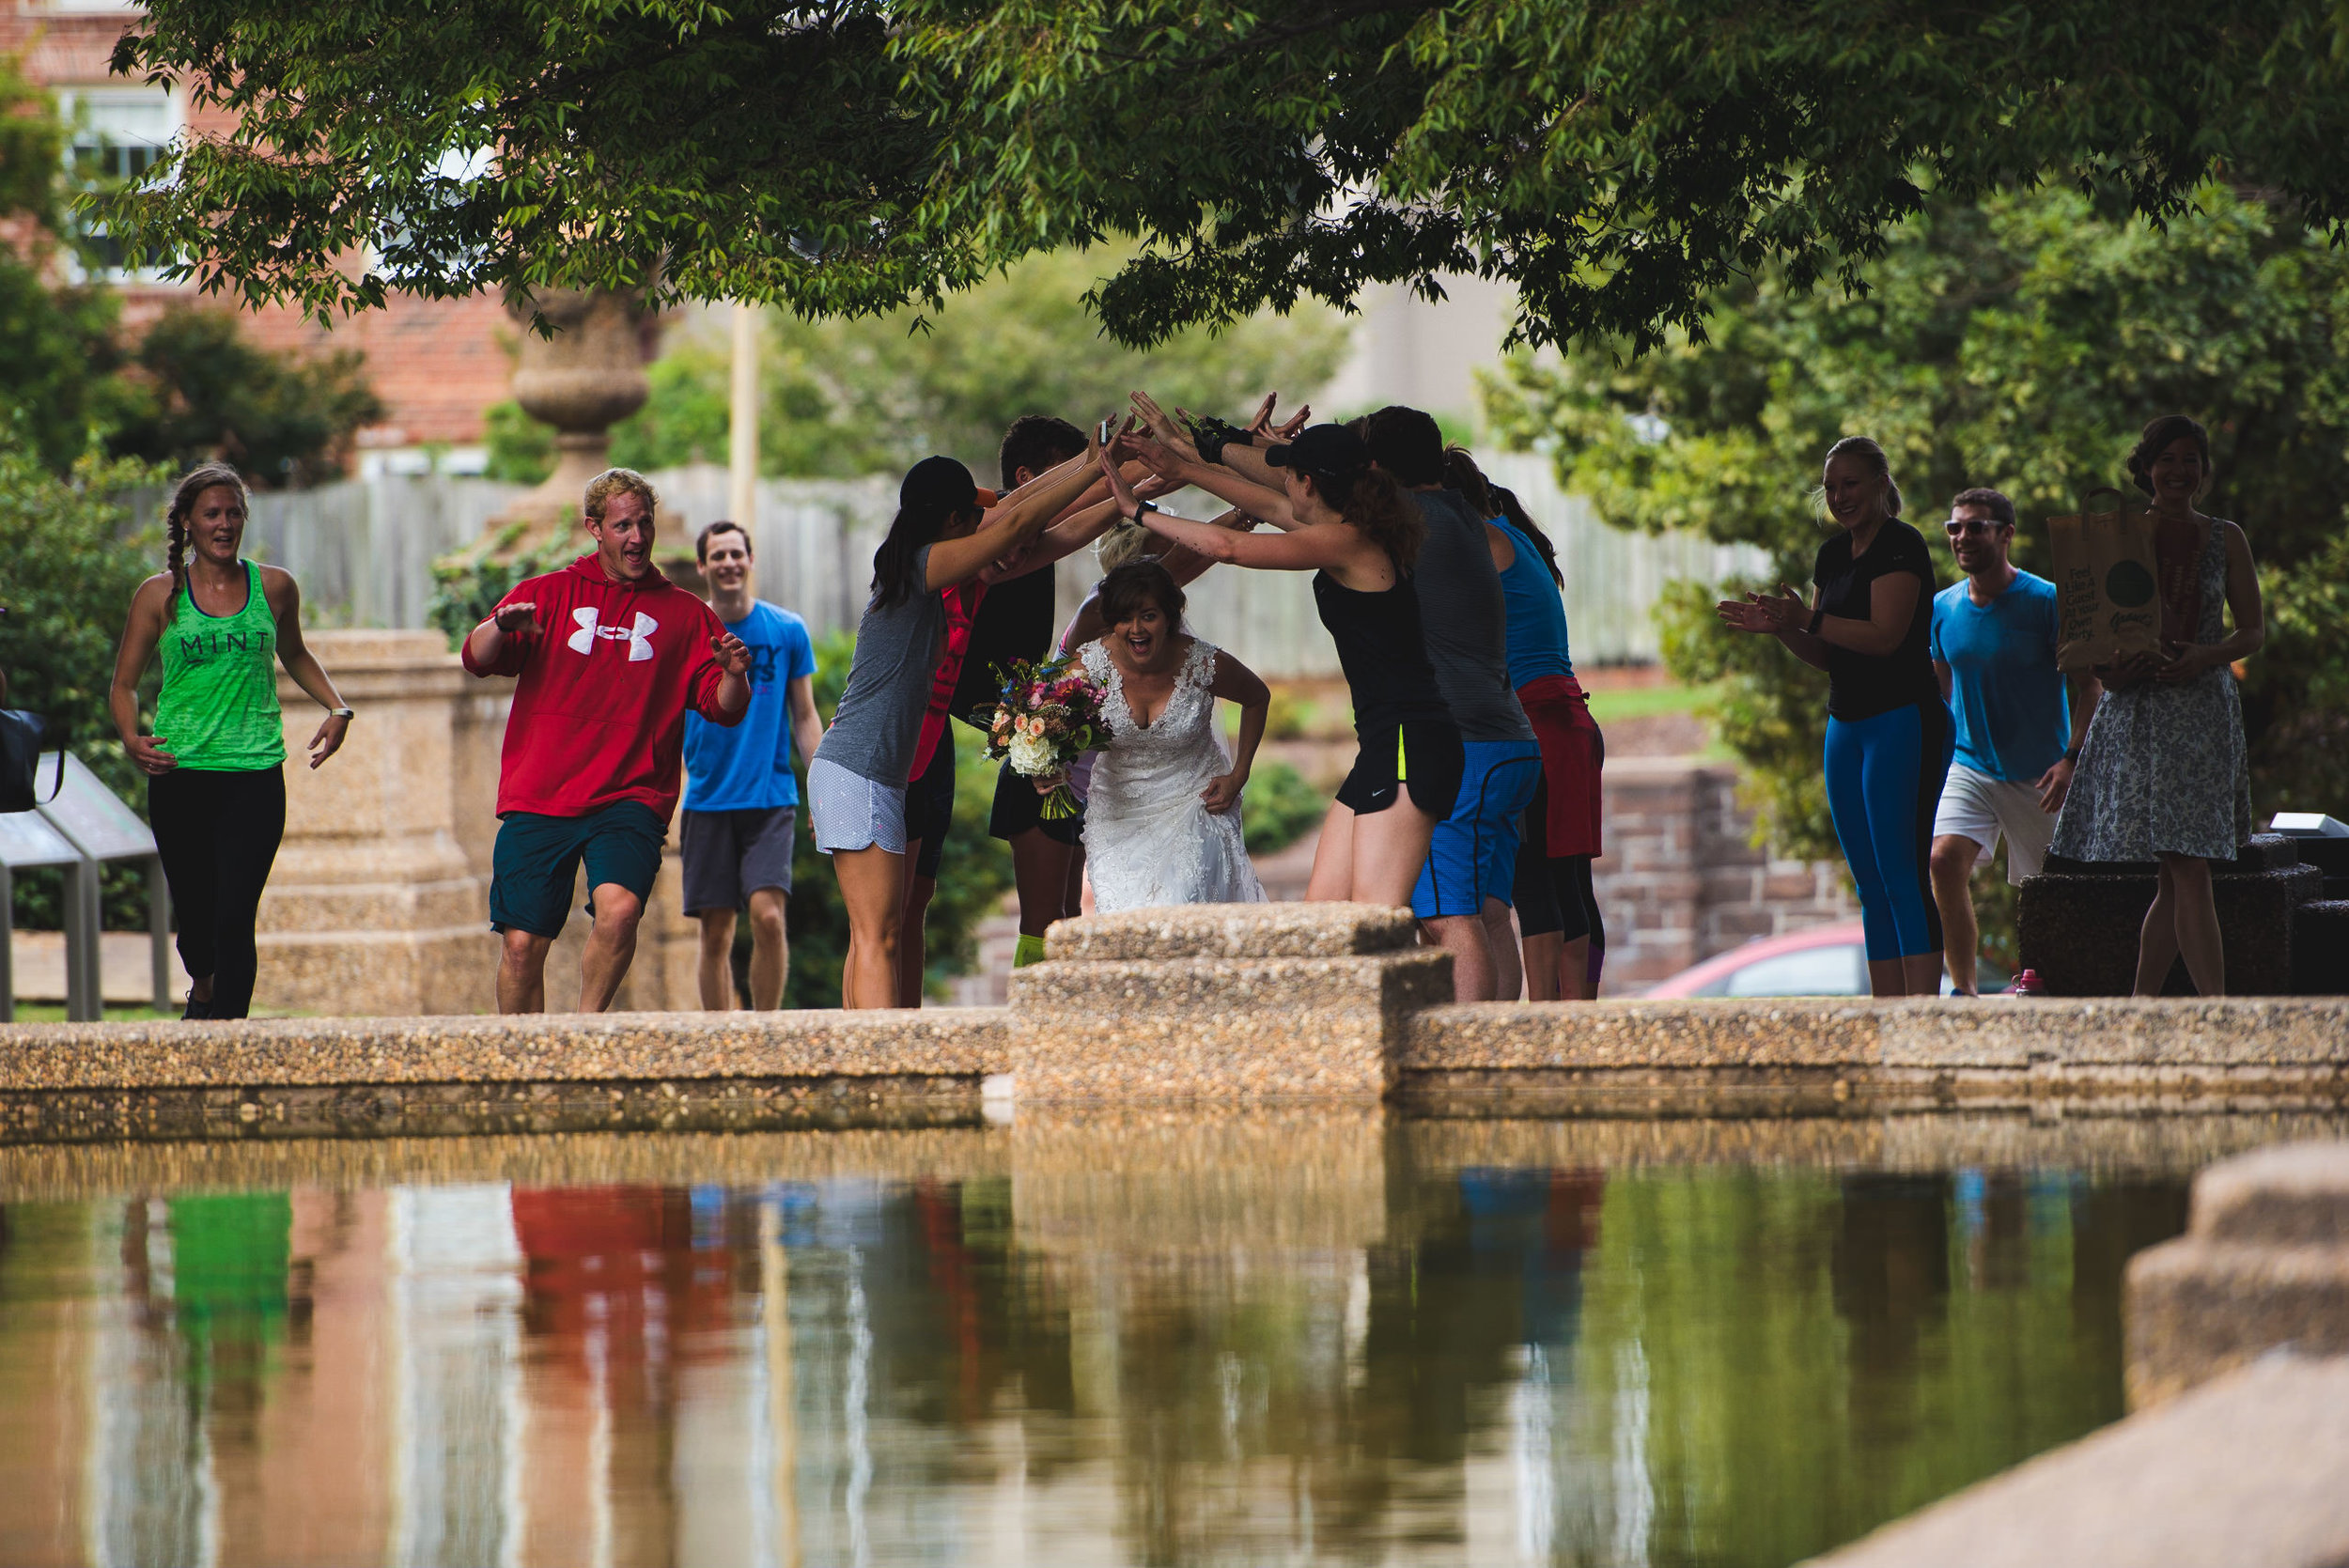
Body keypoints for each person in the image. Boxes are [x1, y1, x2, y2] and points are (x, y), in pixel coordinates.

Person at [1119, 422, 1464, 911]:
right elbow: (1272, 507)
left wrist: (1138, 511)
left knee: (1375, 916)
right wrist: (1185, 469)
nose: (1283, 486)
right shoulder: (1351, 532)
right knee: (1322, 915)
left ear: (1308, 483)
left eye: (1290, 475)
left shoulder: (1349, 542)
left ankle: (1420, 991)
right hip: (1386, 742)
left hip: (1412, 738)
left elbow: (1228, 547)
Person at [810, 443, 1100, 1009]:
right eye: (972, 518)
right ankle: (884, 1075)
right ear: (951, 521)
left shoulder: (940, 578)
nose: (982, 527)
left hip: (872, 775)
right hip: (856, 769)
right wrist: (1095, 459)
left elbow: (1050, 535)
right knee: (879, 937)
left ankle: (864, 1064)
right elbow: (1017, 520)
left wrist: (1125, 492)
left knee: (876, 934)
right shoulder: (919, 566)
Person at [462, 468, 753, 1014]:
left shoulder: (686, 614)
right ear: (595, 528)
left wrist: (734, 674)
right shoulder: (545, 594)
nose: (637, 537)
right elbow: (475, 658)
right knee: (522, 946)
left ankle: (583, 1036)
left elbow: (724, 710)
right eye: (623, 525)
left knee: (619, 912)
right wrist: (500, 624)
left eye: (645, 523)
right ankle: (525, 1065)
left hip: (631, 797)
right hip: (541, 794)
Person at [110, 463, 354, 1019]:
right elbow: (123, 684)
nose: (224, 524)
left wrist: (338, 706)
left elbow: (293, 653)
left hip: (254, 774)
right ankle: (204, 989)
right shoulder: (159, 596)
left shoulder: (274, 586)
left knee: (235, 917)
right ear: (188, 524)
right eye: (212, 514)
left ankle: (227, 1045)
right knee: (197, 925)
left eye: (234, 513)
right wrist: (130, 736)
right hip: (182, 774)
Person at [1717, 437, 1952, 997]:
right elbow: (1827, 655)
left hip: (1903, 720)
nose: (1839, 496)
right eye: (1830, 487)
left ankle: (1925, 1017)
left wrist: (1809, 619)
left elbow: (1885, 637)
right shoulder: (1830, 556)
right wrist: (1785, 630)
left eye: (1850, 483)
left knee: (1902, 875)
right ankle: (1888, 1012)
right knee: (1870, 883)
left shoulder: (1902, 545)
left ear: (1878, 483)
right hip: (1846, 725)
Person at [2050, 416, 2263, 995]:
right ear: (2145, 468)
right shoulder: (2116, 537)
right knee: (2179, 868)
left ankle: (2168, 1009)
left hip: (2200, 715)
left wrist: (2203, 656)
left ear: (2203, 470)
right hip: (2139, 714)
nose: (2178, 471)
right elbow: (2093, 642)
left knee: (2183, 867)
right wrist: (2116, 669)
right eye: (2166, 459)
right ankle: (2200, 1011)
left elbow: (2251, 633)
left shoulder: (2227, 537)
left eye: (2190, 459)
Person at [1442, 448, 1610, 1001]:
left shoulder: (1482, 540)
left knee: (1538, 887)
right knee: (1570, 887)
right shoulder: (1513, 532)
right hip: (1568, 721)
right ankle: (1574, 1020)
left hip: (1538, 723)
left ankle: (1545, 1028)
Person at [1926, 487, 2100, 995]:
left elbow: (2090, 685)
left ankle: (2044, 980)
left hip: (2041, 771)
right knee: (1942, 861)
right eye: (1954, 527)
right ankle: (1963, 993)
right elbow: (1944, 683)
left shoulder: (2047, 602)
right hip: (1971, 766)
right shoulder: (1943, 607)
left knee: (2048, 892)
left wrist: (2070, 759)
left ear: (2006, 535)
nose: (1962, 537)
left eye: (1976, 527)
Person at [956, 415, 1094, 971]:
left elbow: (1097, 511)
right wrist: (1020, 726)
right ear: (1027, 477)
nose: (1080, 491)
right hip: (1024, 743)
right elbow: (964, 686)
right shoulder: (992, 548)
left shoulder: (1037, 544)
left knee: (1067, 919)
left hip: (1040, 738)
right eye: (1070, 476)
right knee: (1046, 923)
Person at [1066, 553, 1270, 910]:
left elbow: (1257, 697)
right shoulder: (1087, 668)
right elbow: (1058, 728)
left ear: (1169, 618)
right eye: (1125, 618)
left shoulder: (1204, 664)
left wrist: (1239, 774)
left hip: (1195, 800)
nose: (1137, 629)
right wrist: (1050, 765)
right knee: (1123, 918)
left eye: (1148, 616)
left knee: (1179, 904)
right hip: (1118, 811)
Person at [679, 520, 821, 1010]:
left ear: (750, 560)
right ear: (703, 566)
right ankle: (722, 1046)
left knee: (769, 918)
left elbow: (804, 715)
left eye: (736, 553)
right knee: (716, 933)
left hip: (770, 797)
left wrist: (823, 793)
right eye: (717, 555)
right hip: (707, 798)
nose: (728, 563)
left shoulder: (786, 630)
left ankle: (766, 1034)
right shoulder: (688, 632)